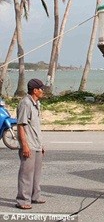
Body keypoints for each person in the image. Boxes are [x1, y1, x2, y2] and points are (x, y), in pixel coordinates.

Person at [16, 79, 48, 210]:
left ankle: (35, 196)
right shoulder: (25, 104)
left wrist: (41, 145)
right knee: (26, 174)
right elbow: (21, 126)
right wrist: (25, 145)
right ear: (35, 90)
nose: (43, 91)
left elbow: (35, 127)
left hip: (37, 144)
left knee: (36, 173)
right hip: (28, 144)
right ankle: (23, 200)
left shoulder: (36, 103)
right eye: (41, 89)